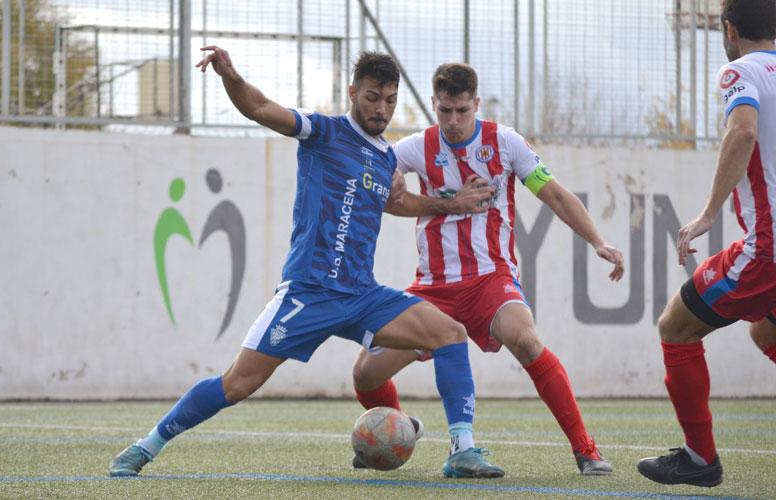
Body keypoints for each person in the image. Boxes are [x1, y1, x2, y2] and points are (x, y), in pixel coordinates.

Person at [108, 48, 505, 479]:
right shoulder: (324, 131)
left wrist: (448, 205)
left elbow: (399, 202)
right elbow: (260, 108)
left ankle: (462, 449)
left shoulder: (386, 157)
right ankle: (146, 446)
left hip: (361, 293)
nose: (382, 108)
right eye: (373, 97)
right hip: (308, 292)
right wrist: (230, 75)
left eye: (390, 99)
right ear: (353, 92)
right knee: (237, 384)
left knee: (449, 333)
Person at [351, 62, 625, 475]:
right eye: (445, 111)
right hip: (433, 288)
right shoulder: (415, 148)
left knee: (526, 340)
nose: (454, 121)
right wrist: (389, 181)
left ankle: (585, 449)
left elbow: (553, 194)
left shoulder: (505, 143)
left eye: (462, 110)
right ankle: (401, 430)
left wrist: (598, 241)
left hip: (490, 279)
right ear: (434, 105)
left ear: (476, 103)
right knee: (365, 374)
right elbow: (389, 194)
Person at [637, 0, 776, 488]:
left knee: (675, 325)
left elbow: (742, 131)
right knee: (766, 333)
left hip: (768, 250)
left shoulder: (739, 71)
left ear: (730, 29)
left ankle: (700, 459)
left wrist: (709, 213)